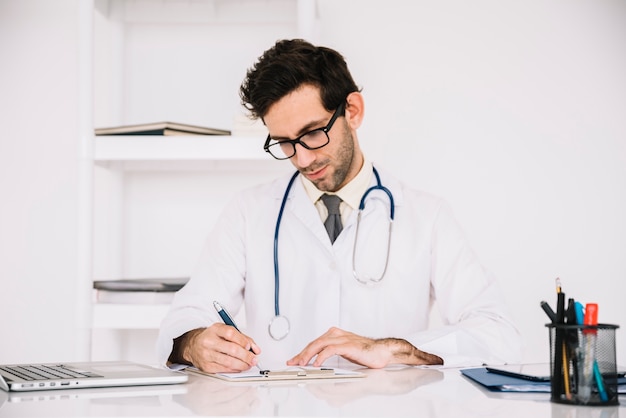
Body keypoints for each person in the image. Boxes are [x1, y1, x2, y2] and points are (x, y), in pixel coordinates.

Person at [157, 39, 521, 373]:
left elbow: (499, 336)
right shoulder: (248, 212)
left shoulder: (427, 216)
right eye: (284, 143)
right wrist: (193, 343)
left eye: (313, 133)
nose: (301, 159)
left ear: (353, 111)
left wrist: (395, 348)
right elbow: (186, 316)